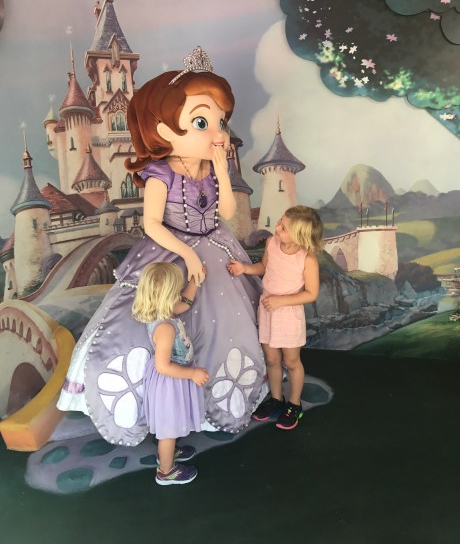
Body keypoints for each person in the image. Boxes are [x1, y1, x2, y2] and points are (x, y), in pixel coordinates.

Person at [57, 47, 266, 445]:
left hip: (216, 245)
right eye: (202, 122)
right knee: (145, 320)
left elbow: (225, 212)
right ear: (164, 129)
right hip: (169, 251)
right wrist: (187, 253)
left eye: (221, 122)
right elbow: (152, 223)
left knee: (230, 325)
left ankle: (215, 402)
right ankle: (157, 404)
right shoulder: (160, 174)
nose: (218, 133)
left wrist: (222, 171)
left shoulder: (210, 169)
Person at [227, 205, 323, 430]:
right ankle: (276, 399)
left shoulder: (307, 259)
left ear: (300, 236)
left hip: (288, 314)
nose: (277, 228)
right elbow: (264, 267)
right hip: (268, 310)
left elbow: (311, 293)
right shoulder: (272, 243)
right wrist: (244, 269)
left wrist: (281, 301)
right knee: (271, 359)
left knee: (291, 361)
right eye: (280, 222)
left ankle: (294, 404)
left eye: (284, 228)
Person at [131, 261, 209, 485]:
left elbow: (184, 305)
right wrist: (192, 374)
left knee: (171, 423)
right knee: (168, 428)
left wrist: (194, 283)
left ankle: (169, 451)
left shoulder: (163, 311)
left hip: (173, 378)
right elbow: (163, 366)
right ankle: (166, 471)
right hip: (169, 380)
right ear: (169, 294)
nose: (179, 293)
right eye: (177, 289)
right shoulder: (165, 328)